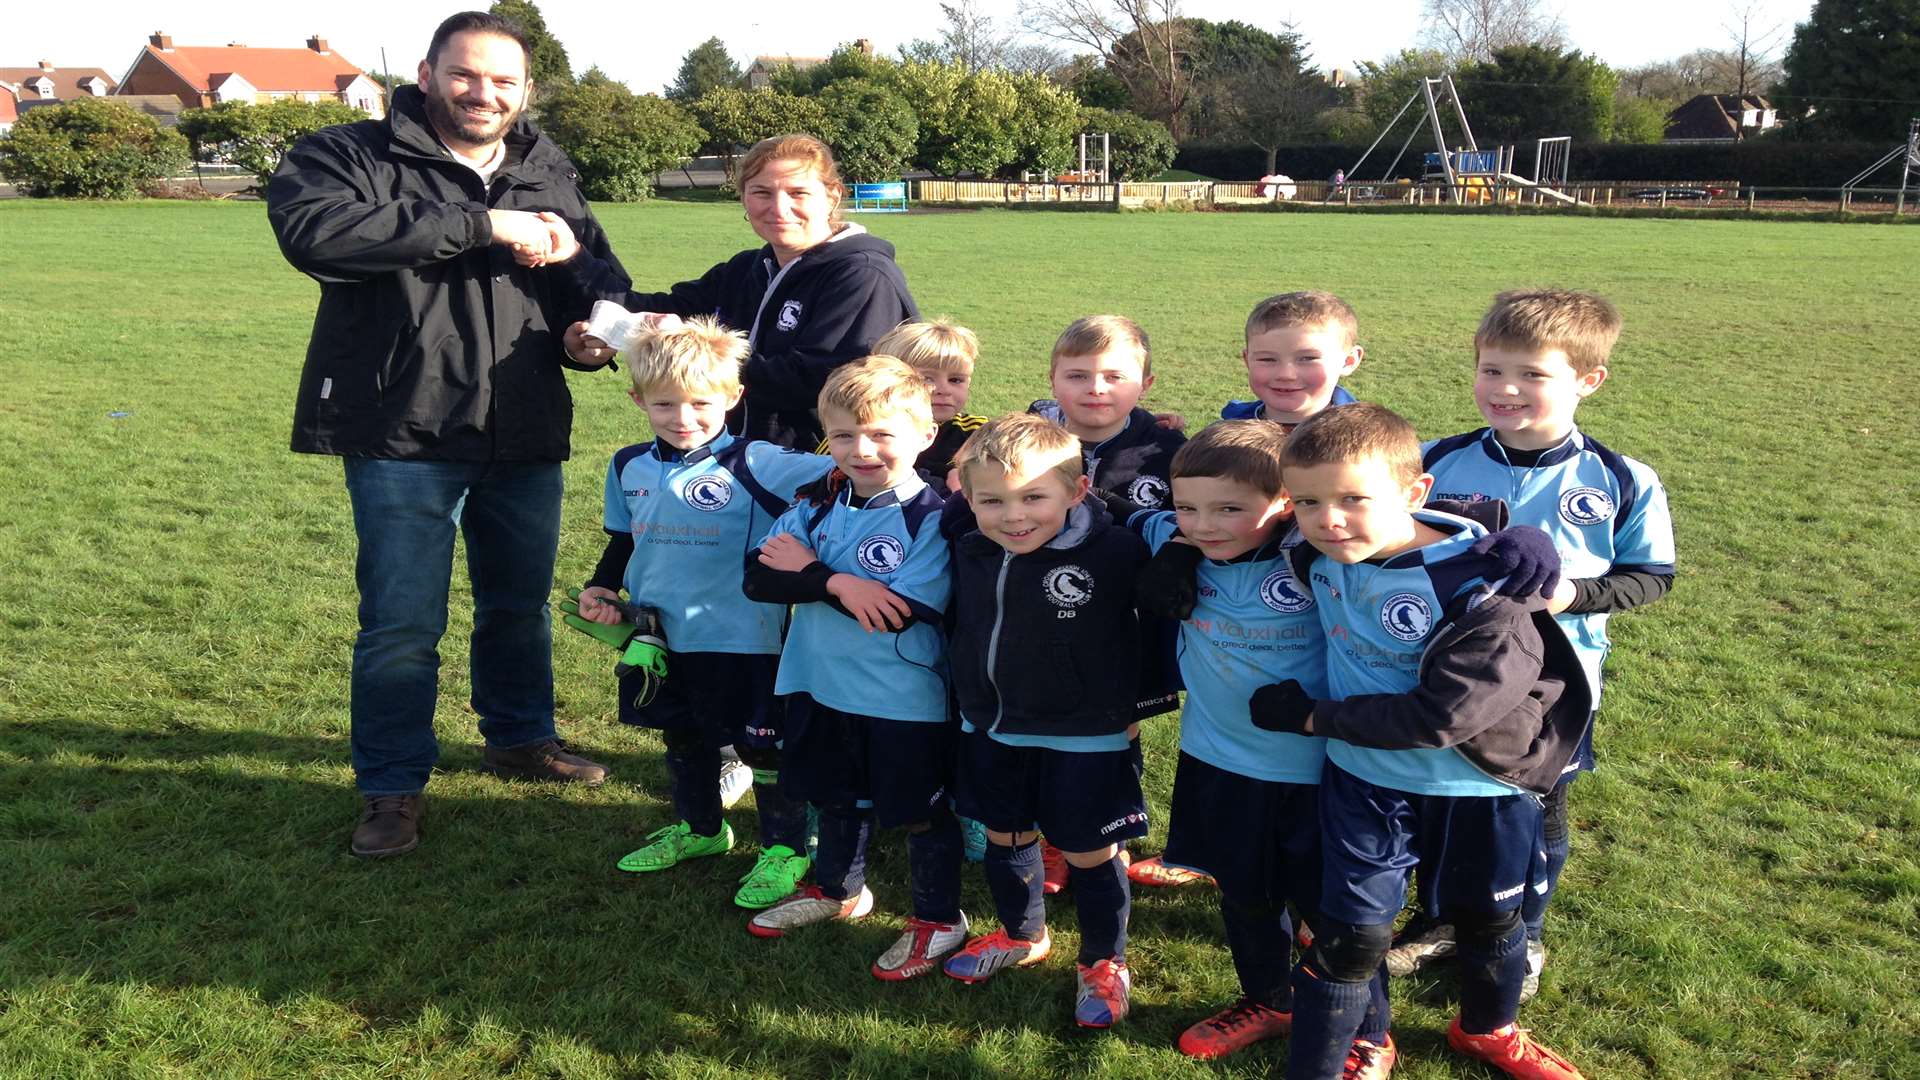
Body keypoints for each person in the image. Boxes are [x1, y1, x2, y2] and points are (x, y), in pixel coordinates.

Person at [267, 10, 623, 858]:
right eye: (467, 75)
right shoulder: (350, 154)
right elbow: (316, 234)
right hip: (402, 427)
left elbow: (598, 278)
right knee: (400, 622)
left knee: (517, 607)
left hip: (523, 422)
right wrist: (483, 224)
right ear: (427, 74)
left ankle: (518, 737)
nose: (484, 93)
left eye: (504, 81)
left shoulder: (546, 165)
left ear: (526, 91)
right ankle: (391, 787)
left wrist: (588, 335)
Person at [1258, 403, 1591, 1080]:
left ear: (1414, 494)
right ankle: (1344, 1053)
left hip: (1479, 788)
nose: (1329, 519)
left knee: (1490, 926)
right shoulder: (1312, 553)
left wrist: (1314, 718)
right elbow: (1217, 513)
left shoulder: (1485, 591)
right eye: (1309, 501)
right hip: (1365, 783)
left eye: (1354, 499)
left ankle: (1488, 1031)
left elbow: (1441, 717)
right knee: (1352, 935)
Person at [1399, 291, 1675, 999]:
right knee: (1443, 802)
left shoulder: (1620, 479)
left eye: (1531, 374)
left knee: (1534, 810)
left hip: (1553, 689)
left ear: (1590, 379)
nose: (1506, 389)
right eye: (1492, 370)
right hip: (1449, 676)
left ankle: (1527, 931)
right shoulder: (1438, 461)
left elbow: (1649, 578)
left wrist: (1572, 596)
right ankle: (1441, 921)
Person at [571, 318, 833, 907]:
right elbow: (625, 539)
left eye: (700, 403)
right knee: (683, 737)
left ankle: (786, 849)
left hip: (748, 638)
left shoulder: (761, 463)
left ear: (734, 397)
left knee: (763, 746)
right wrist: (603, 587)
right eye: (665, 404)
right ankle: (702, 830)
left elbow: (848, 470)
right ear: (637, 399)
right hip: (659, 636)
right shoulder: (628, 465)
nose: (683, 418)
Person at [739, 356, 966, 982]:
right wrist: (839, 582)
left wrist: (809, 574)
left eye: (881, 434)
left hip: (902, 699)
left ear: (925, 435)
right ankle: (840, 889)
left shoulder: (934, 517)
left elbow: (899, 611)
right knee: (836, 798)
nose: (861, 450)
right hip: (818, 683)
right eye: (843, 436)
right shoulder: (816, 505)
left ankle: (939, 918)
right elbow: (757, 578)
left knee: (918, 811)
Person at [937, 414, 1150, 1028]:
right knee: (1005, 834)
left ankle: (1104, 961)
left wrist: (1137, 708)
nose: (1014, 516)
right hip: (992, 723)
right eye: (993, 501)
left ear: (1077, 491)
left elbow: (1161, 627)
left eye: (1034, 497)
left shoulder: (1117, 551)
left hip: (1088, 732)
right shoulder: (968, 542)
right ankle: (1022, 933)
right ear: (968, 497)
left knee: (1087, 850)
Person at [561, 135, 918, 450]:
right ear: (744, 197)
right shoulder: (747, 269)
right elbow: (656, 309)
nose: (779, 208)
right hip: (741, 467)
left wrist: (697, 353)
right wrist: (575, 262)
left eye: (798, 193)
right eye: (762, 192)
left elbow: (820, 381)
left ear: (832, 195)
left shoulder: (863, 275)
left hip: (825, 475)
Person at [1027, 314, 1183, 891]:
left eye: (1115, 375)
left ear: (1146, 381)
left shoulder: (1165, 448)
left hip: (1129, 617)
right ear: (1052, 379)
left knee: (1122, 726)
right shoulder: (1027, 437)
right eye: (1078, 375)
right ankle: (1057, 840)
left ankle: (1110, 833)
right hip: (1042, 612)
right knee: (1053, 722)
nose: (1096, 388)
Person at [1218, 291, 1363, 426]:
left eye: (1308, 358)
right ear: (1247, 360)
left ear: (1348, 361)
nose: (1285, 375)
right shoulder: (1224, 436)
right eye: (1267, 359)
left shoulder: (1370, 439)